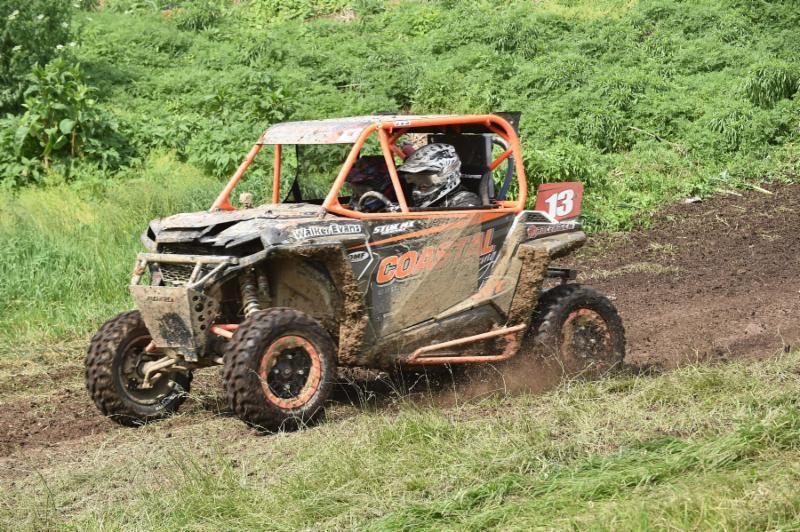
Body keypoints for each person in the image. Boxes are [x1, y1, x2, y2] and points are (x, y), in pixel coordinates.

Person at [396, 143, 481, 208]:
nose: (418, 183)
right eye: (414, 177)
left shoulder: (466, 200)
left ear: (447, 174)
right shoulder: (411, 196)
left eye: (424, 177)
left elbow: (455, 229)